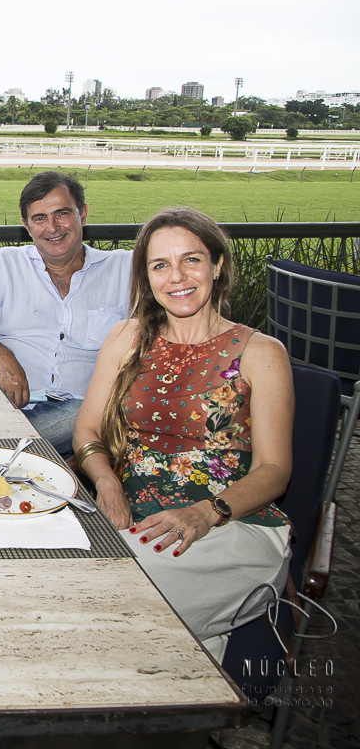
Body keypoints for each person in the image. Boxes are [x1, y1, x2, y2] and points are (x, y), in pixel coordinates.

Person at [73, 207, 292, 660]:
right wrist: (107, 481)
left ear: (217, 265)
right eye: (160, 265)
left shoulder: (261, 352)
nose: (177, 277)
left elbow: (275, 471)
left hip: (230, 521)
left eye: (191, 260)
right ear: (146, 278)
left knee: (105, 611)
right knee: (64, 583)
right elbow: (87, 429)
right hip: (133, 511)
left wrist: (205, 513)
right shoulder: (127, 338)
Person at [0, 171, 131, 454]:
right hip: (6, 406)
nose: (52, 227)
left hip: (80, 413)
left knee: (80, 413)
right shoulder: (6, 263)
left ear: (83, 213)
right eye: (39, 218)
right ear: (26, 226)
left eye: (62, 213)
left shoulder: (126, 269)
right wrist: (0, 354)